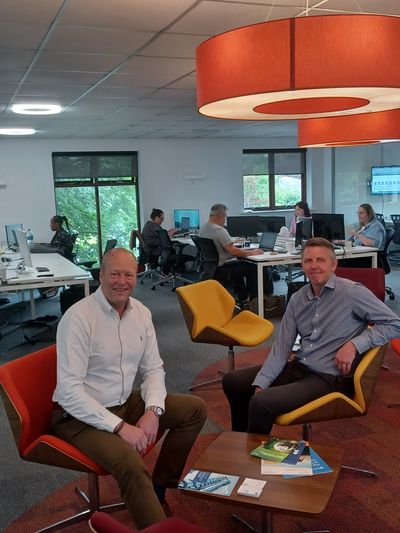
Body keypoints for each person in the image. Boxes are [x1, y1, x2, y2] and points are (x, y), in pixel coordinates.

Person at [52, 248, 207, 529]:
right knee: (130, 463)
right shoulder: (78, 318)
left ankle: (158, 487)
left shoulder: (141, 313)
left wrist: (153, 410)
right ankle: (155, 525)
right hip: (78, 416)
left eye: (128, 274)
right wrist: (122, 428)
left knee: (193, 410)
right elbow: (69, 392)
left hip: (123, 401)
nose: (121, 281)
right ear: (100, 275)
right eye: (114, 274)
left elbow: (153, 369)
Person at [222, 237, 400, 435]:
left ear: (333, 264)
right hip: (301, 367)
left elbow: (395, 324)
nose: (314, 266)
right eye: (308, 261)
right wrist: (263, 381)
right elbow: (282, 348)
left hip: (328, 377)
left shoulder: (352, 293)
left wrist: (355, 345)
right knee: (233, 382)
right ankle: (237, 444)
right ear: (302, 264)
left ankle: (250, 460)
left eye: (321, 260)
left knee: (261, 403)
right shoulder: (298, 299)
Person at [199, 203, 272, 307]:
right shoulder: (219, 230)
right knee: (255, 267)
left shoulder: (204, 227)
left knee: (242, 266)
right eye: (225, 217)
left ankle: (243, 298)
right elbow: (232, 251)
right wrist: (252, 252)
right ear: (220, 216)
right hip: (224, 268)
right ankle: (254, 300)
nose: (225, 220)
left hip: (211, 268)